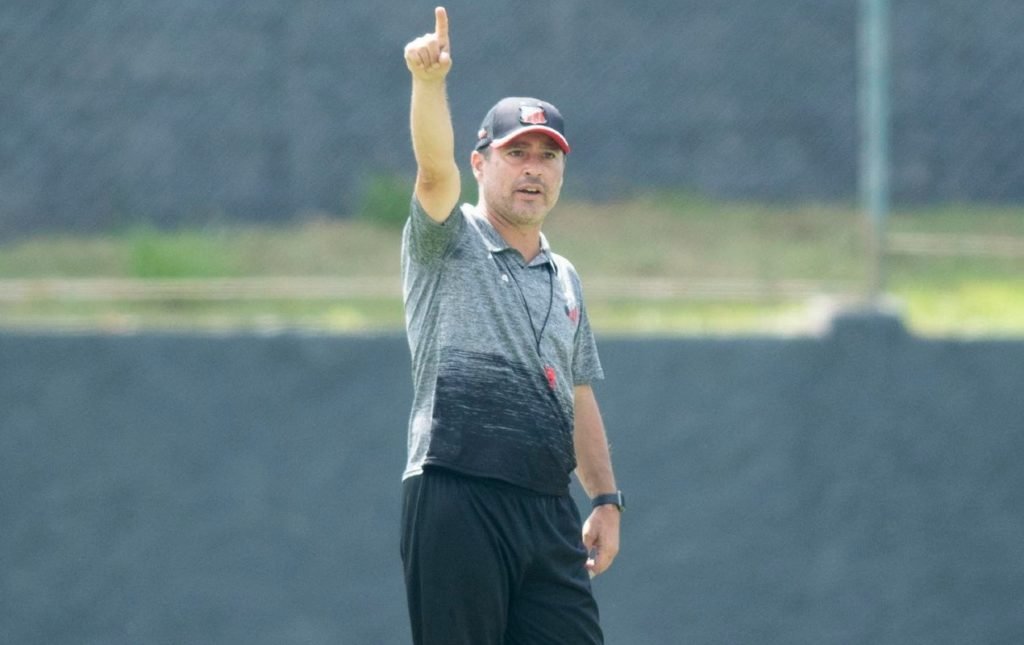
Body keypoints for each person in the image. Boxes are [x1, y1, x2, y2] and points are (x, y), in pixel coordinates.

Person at [399, 7, 624, 644]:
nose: (533, 168)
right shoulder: (447, 239)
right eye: (516, 152)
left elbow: (577, 392)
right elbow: (431, 171)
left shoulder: (566, 277)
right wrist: (428, 82)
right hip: (456, 491)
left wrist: (605, 499)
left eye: (547, 156)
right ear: (480, 164)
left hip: (548, 509)